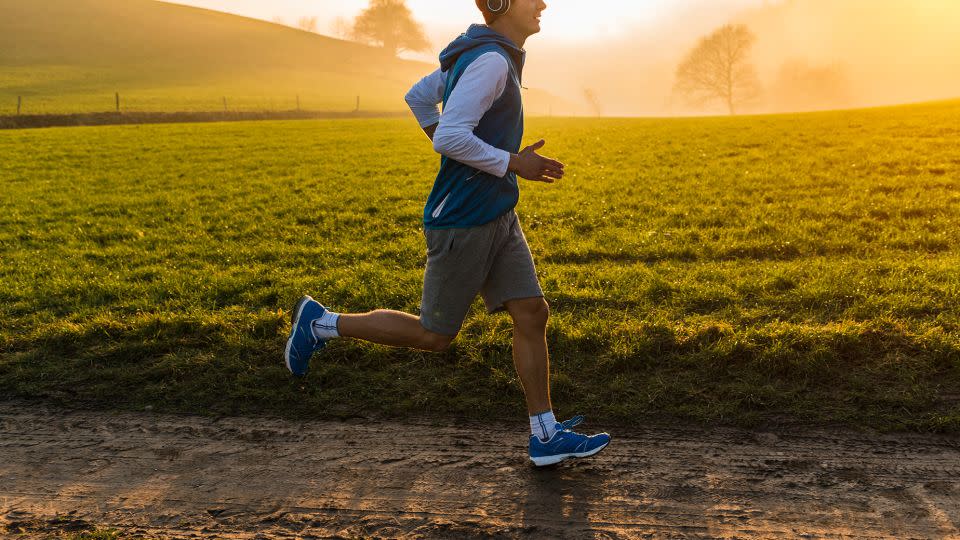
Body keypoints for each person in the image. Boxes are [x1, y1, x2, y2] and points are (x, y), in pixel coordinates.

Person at [285, 0, 610, 467]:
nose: (542, 3)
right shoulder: (489, 60)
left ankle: (545, 435)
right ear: (500, 5)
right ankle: (320, 324)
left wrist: (488, 161)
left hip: (497, 211)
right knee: (435, 335)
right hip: (463, 219)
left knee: (532, 312)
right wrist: (511, 162)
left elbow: (418, 98)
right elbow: (449, 137)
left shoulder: (483, 54)